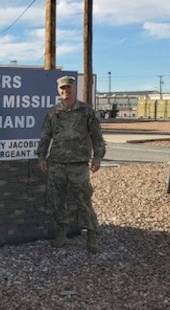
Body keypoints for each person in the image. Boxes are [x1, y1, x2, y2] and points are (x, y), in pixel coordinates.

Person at [36, 75, 106, 254]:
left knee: (83, 200)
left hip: (78, 164)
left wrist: (98, 157)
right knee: (57, 200)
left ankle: (91, 234)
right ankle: (62, 231)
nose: (65, 91)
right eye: (62, 89)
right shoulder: (53, 112)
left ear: (74, 89)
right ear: (58, 91)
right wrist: (42, 157)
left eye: (68, 88)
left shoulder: (86, 111)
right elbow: (46, 136)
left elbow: (96, 136)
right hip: (57, 163)